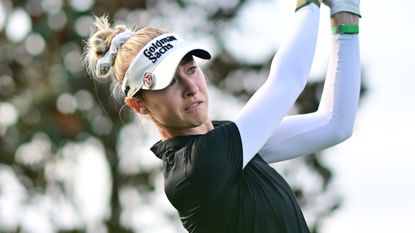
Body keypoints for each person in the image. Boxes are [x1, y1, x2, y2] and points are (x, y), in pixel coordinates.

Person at [83, 0, 361, 232]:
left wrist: (344, 19)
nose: (191, 88)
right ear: (139, 105)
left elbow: (335, 124)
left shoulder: (227, 144)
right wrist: (308, 5)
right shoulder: (198, 167)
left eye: (191, 69)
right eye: (169, 82)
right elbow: (288, 80)